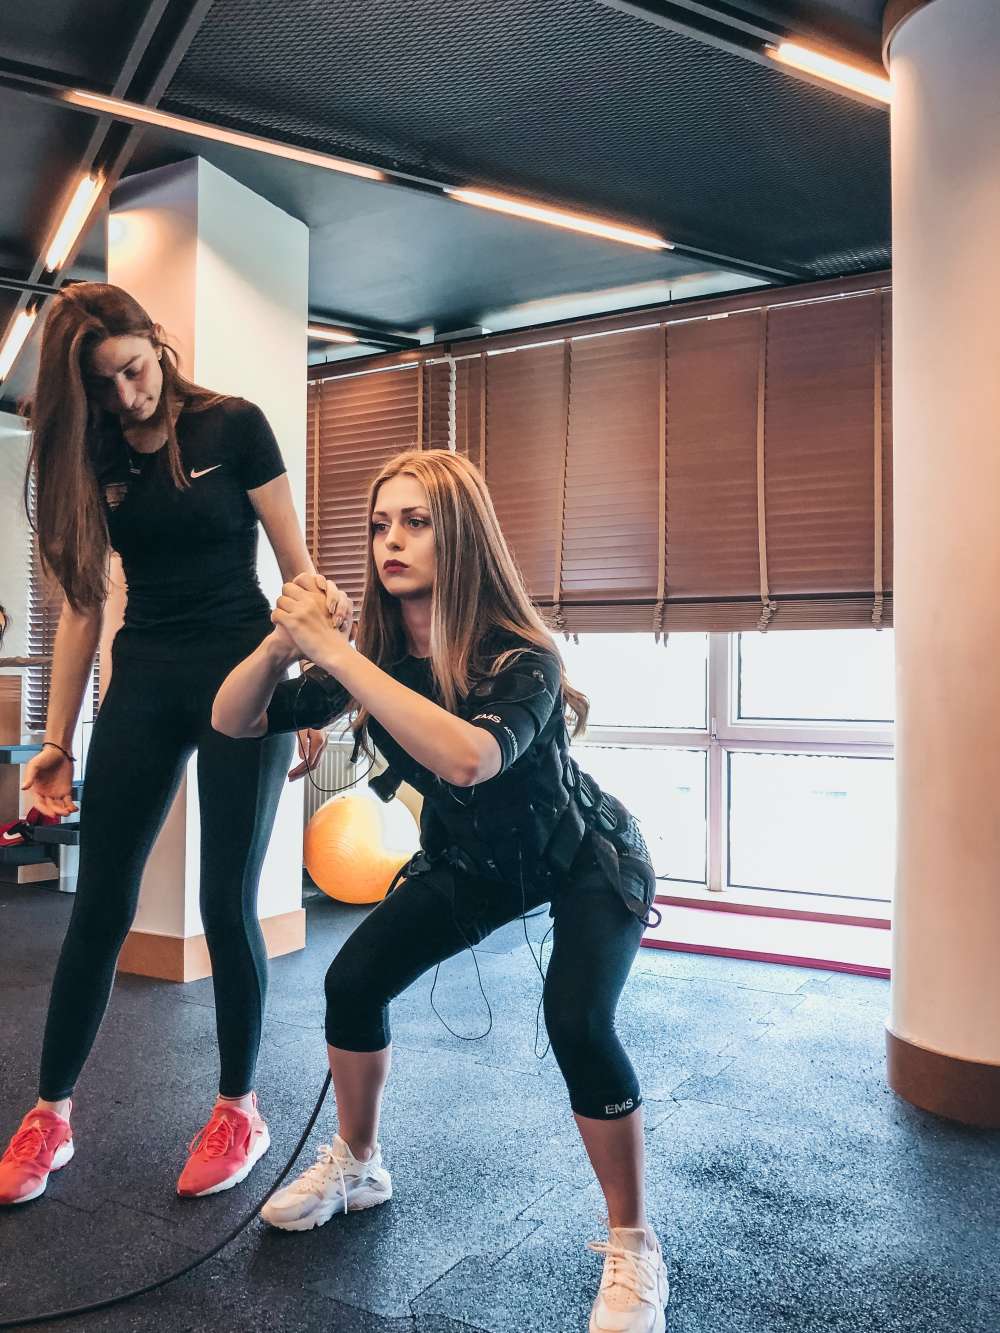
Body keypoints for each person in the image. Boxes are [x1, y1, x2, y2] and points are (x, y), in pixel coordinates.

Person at [213, 449, 670, 1333]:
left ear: (459, 536)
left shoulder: (521, 657)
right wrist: (282, 643)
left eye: (415, 522)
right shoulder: (380, 657)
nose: (391, 540)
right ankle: (359, 1162)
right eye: (380, 524)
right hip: (474, 861)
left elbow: (468, 757)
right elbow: (231, 718)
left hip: (584, 856)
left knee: (578, 1020)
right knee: (352, 982)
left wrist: (335, 653)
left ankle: (634, 1240)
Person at [0, 283, 350, 1207]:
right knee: (101, 903)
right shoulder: (95, 454)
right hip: (145, 680)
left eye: (132, 369)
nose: (126, 395)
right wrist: (55, 740)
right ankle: (50, 1114)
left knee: (225, 900)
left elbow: (298, 569)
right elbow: (84, 605)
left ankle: (239, 1108)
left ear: (155, 341)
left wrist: (310, 695)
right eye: (103, 385)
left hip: (245, 677)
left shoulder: (234, 426)